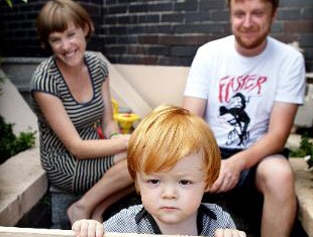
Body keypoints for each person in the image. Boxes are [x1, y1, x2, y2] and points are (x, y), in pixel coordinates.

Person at [182, 0, 306, 236]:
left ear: (273, 14)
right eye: (240, 14)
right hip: (209, 147)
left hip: (259, 153)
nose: (247, 23)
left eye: (257, 13)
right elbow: (190, 120)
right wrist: (210, 160)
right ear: (230, 15)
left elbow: (278, 135)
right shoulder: (209, 53)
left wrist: (237, 163)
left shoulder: (290, 59)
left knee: (280, 175)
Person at [31, 0, 134, 227]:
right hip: (65, 161)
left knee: (146, 160)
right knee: (140, 159)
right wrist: (129, 142)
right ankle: (81, 208)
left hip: (94, 149)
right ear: (48, 42)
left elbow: (108, 122)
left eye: (71, 34)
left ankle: (95, 209)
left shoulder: (97, 66)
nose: (66, 46)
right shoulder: (45, 80)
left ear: (85, 29)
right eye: (56, 40)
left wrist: (117, 138)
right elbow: (76, 147)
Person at [72, 105, 247, 237]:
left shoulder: (217, 223)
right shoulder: (126, 224)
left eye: (184, 182)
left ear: (207, 180)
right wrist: (92, 232)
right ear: (138, 182)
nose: (169, 194)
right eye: (154, 181)